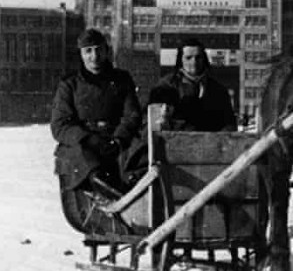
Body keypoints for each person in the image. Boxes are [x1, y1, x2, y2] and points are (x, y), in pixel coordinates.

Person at [50, 28, 142, 199]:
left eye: (99, 49)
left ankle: (134, 196)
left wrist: (119, 138)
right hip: (85, 144)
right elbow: (60, 125)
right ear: (81, 54)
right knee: (82, 159)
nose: (94, 56)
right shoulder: (69, 84)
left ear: (106, 51)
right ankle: (106, 192)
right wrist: (89, 139)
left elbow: (132, 115)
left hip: (116, 140)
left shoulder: (121, 79)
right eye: (88, 51)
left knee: (141, 155)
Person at [148, 38, 237, 132]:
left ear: (204, 59)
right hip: (176, 143)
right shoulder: (165, 87)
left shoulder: (218, 90)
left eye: (198, 57)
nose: (194, 62)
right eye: (188, 58)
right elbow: (154, 123)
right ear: (180, 60)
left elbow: (229, 123)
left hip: (211, 143)